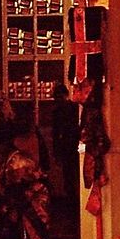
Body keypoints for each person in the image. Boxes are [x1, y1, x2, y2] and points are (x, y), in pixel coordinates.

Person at [51, 83, 80, 213]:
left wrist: (56, 152)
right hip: (73, 145)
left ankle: (72, 202)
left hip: (67, 146)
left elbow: (55, 134)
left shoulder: (58, 111)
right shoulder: (74, 108)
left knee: (69, 177)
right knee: (73, 176)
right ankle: (75, 202)